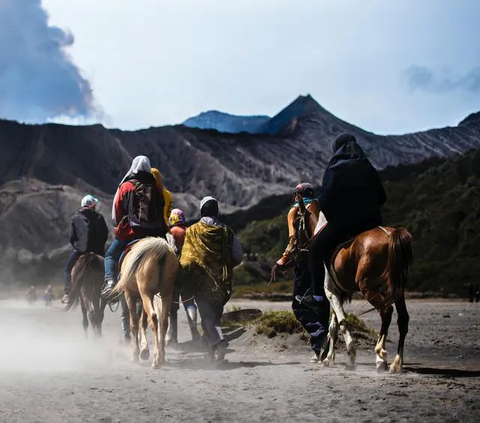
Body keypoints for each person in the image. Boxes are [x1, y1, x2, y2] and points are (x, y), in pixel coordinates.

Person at [299, 133, 387, 314]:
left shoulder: (335, 168)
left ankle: (316, 297)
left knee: (315, 250)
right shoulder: (367, 166)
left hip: (343, 225)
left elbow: (325, 199)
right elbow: (382, 197)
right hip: (370, 224)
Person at [179, 197, 243, 362]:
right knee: (215, 316)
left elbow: (186, 260)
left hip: (201, 283)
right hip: (222, 283)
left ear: (202, 210)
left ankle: (219, 344)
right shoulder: (227, 231)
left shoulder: (192, 231)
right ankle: (212, 354)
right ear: (216, 210)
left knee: (206, 317)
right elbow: (237, 256)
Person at [101, 156, 168, 301]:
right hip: (155, 234)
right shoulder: (156, 187)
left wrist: (119, 225)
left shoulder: (126, 186)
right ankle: (175, 283)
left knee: (110, 255)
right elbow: (161, 207)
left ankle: (110, 282)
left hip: (130, 233)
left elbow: (117, 212)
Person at [274, 183, 328, 362]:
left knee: (298, 305)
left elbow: (293, 240)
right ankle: (320, 351)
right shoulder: (320, 207)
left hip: (304, 264)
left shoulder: (295, 211)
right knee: (321, 303)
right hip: (323, 262)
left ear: (297, 195)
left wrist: (282, 259)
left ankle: (319, 333)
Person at [62, 195, 108, 304]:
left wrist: (79, 247)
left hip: (81, 251)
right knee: (110, 266)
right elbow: (105, 235)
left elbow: (72, 238)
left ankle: (67, 293)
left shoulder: (75, 217)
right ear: (93, 205)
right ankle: (110, 290)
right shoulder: (99, 217)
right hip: (98, 250)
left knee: (67, 269)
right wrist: (99, 247)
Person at [167, 208, 200, 345]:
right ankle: (195, 334)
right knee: (189, 303)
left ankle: (173, 338)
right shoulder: (189, 231)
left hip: (173, 274)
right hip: (188, 273)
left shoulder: (169, 233)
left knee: (172, 307)